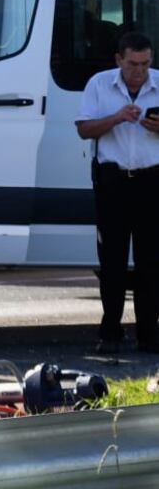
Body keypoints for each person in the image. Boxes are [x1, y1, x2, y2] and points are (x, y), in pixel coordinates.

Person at [76, 31, 159, 354]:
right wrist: (116, 118)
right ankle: (110, 330)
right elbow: (84, 129)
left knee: (151, 261)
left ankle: (148, 333)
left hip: (152, 180)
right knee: (111, 260)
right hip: (113, 181)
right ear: (119, 60)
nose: (140, 71)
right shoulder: (99, 84)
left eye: (146, 63)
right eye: (133, 64)